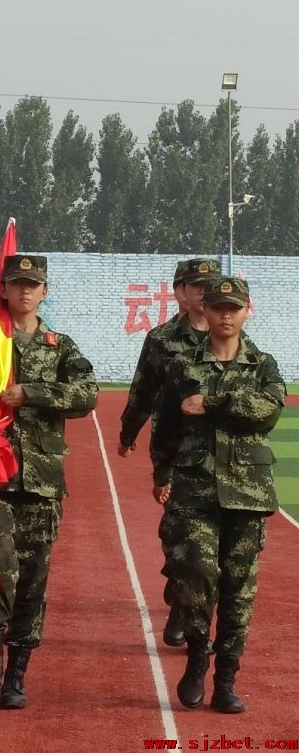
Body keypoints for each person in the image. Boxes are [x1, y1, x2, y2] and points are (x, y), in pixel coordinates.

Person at [0, 254, 98, 709]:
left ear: (44, 292)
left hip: (41, 482)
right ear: (4, 290)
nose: (25, 291)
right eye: (17, 283)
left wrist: (32, 393)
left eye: (33, 284)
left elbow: (87, 394)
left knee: (33, 578)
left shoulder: (60, 346)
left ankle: (17, 674)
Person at [151, 276, 285, 713]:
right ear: (204, 311)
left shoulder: (263, 365)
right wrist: (161, 473)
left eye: (234, 308)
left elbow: (267, 412)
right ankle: (196, 656)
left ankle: (226, 679)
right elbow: (166, 425)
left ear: (247, 311)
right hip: (194, 491)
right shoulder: (183, 365)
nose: (226, 315)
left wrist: (211, 403)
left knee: (238, 590)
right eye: (218, 307)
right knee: (195, 576)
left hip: (247, 493)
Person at [118, 258, 221, 647]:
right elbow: (143, 390)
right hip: (176, 450)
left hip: (220, 453)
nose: (204, 292)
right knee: (179, 532)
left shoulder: (229, 337)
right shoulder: (162, 340)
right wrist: (129, 432)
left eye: (211, 285)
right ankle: (181, 596)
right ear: (181, 291)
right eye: (197, 285)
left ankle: (187, 605)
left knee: (212, 542)